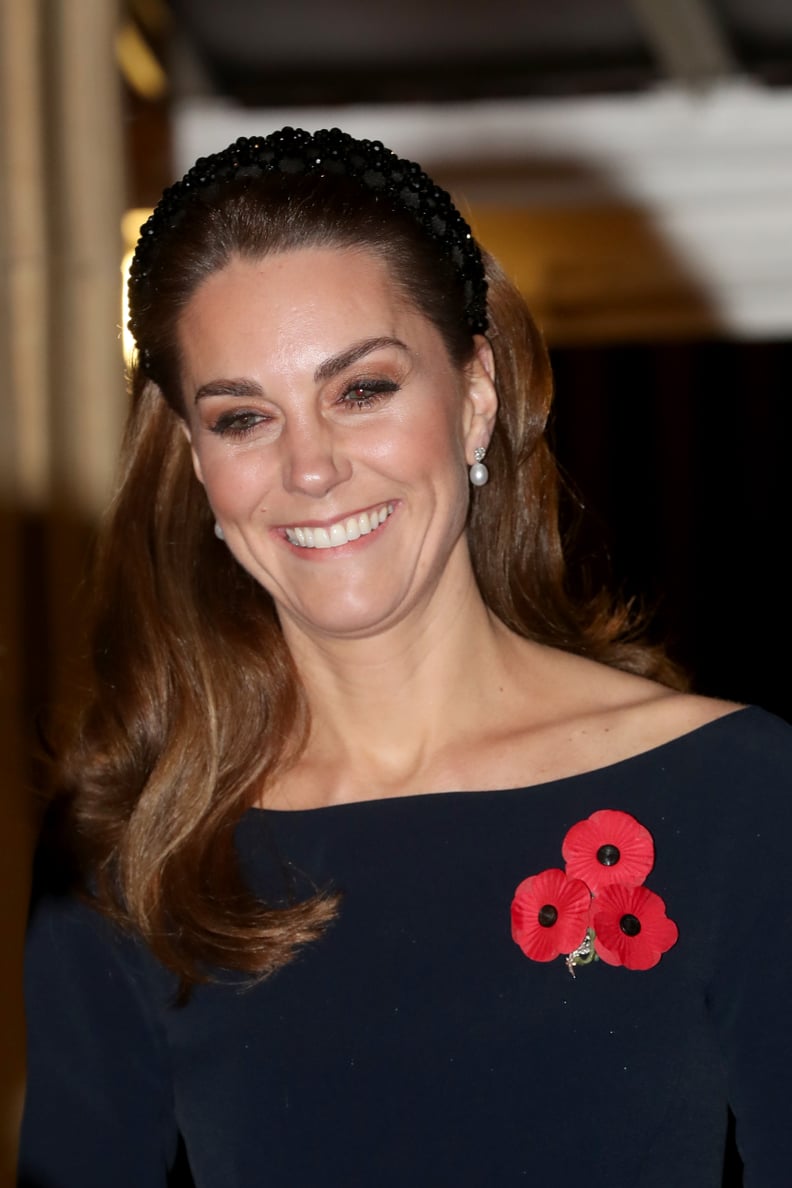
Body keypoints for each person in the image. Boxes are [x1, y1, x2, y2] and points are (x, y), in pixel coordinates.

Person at [19, 127, 791, 1187]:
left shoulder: (734, 794)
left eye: (363, 390)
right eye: (244, 417)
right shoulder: (135, 847)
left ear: (475, 396)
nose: (311, 467)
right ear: (198, 465)